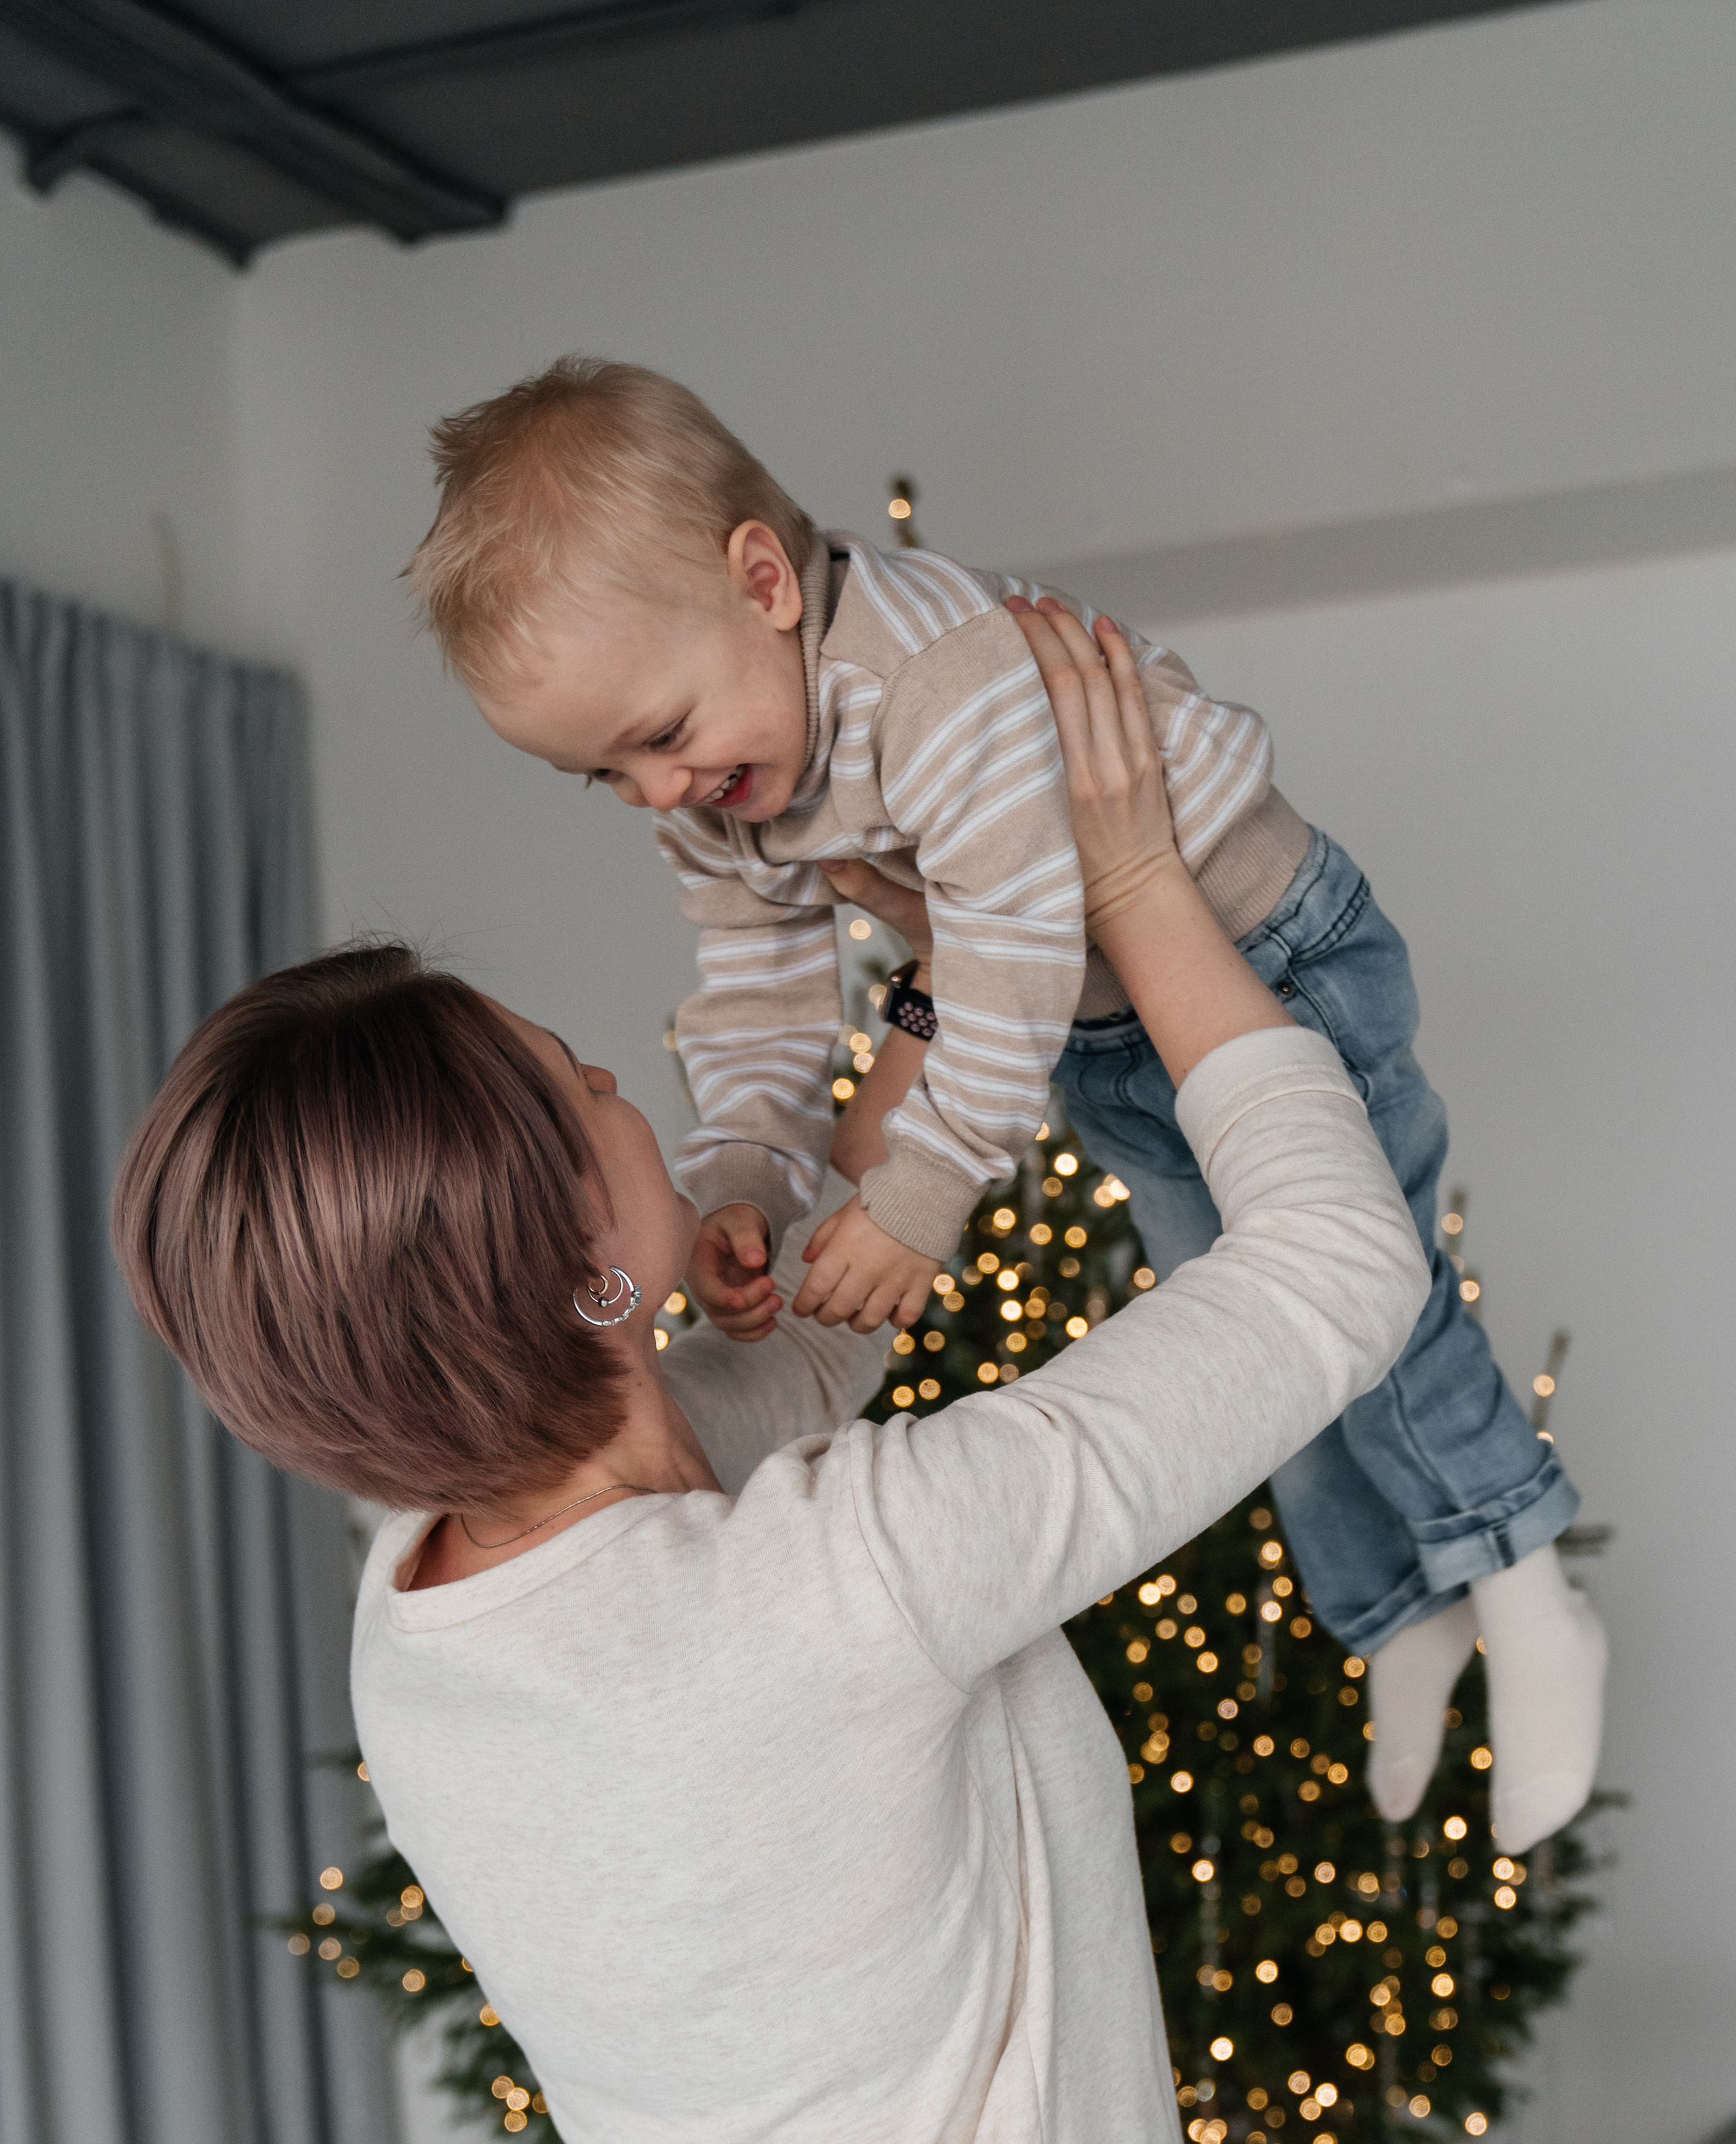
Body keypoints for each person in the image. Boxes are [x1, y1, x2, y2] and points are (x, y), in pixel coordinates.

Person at [113, 607, 1427, 2144]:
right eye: (582, 1088)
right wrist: (1137, 880)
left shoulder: (435, 1609)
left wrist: (943, 991)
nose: (619, 1075)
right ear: (571, 1275)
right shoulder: (842, 1574)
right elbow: (1341, 1267)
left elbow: (783, 1366)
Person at [402, 356, 1605, 1855]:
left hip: (1264, 954)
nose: (655, 792)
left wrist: (919, 1189)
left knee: (1379, 1296)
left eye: (657, 734)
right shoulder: (728, 782)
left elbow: (1016, 935)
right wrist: (744, 1183)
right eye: (604, 777)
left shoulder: (933, 681)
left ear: (761, 580)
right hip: (1103, 1023)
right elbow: (761, 989)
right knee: (1236, 1315)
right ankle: (1395, 1606)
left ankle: (1522, 1571)